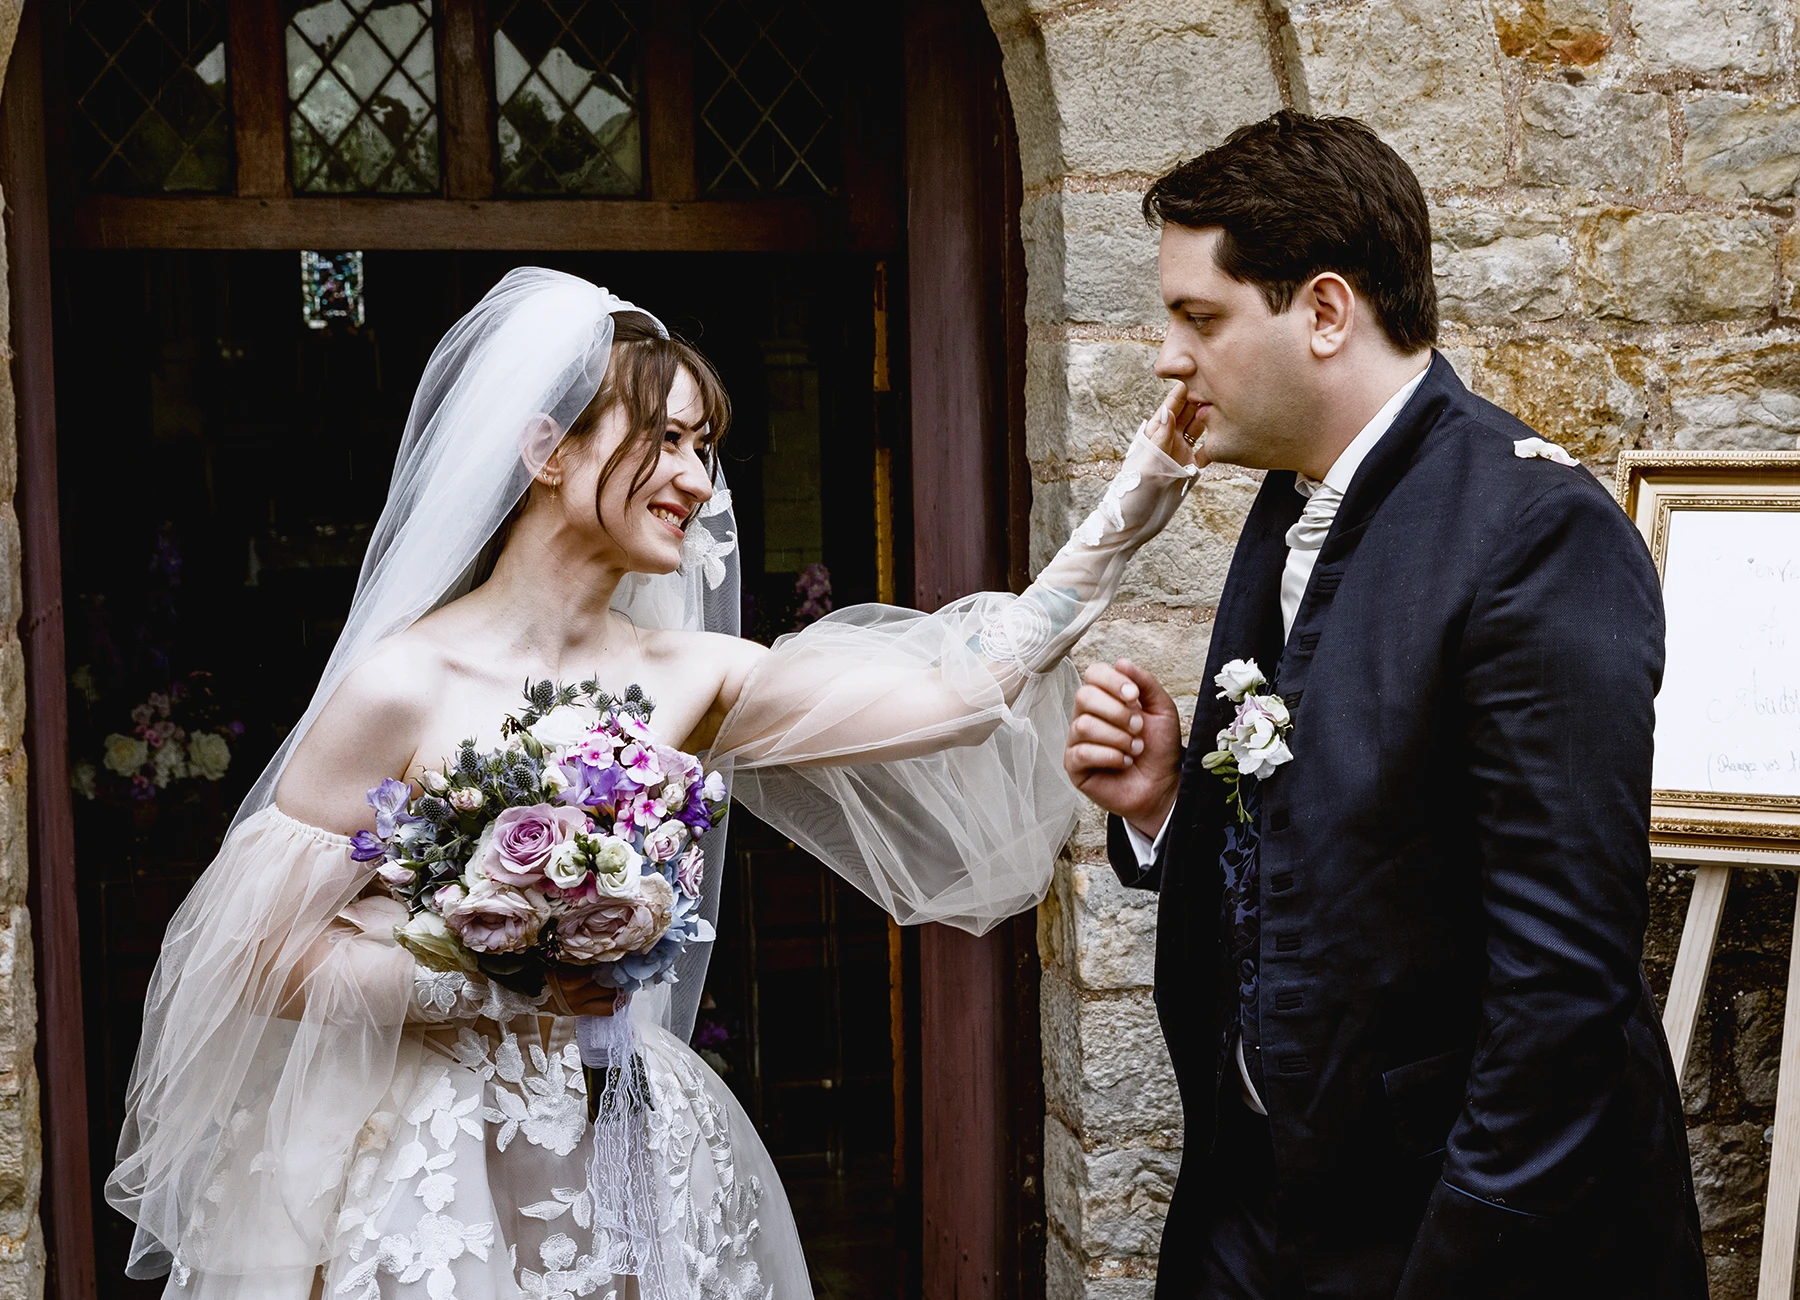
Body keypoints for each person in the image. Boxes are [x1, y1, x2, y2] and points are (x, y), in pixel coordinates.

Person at [107, 268, 1199, 1299]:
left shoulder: (696, 675)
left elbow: (958, 695)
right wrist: (489, 980)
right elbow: (261, 958)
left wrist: (1127, 519)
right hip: (435, 1161)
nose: (696, 477)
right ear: (546, 450)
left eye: (704, 445)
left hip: (631, 1125)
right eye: (665, 438)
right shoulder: (404, 683)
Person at [1063, 111, 1705, 1299]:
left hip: (1451, 1230)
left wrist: (1458, 1258)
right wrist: (1165, 804)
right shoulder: (1288, 500)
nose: (1166, 356)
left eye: (1198, 317)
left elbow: (1562, 984)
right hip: (1264, 1209)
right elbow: (1339, 838)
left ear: (1322, 309)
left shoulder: (1537, 534)